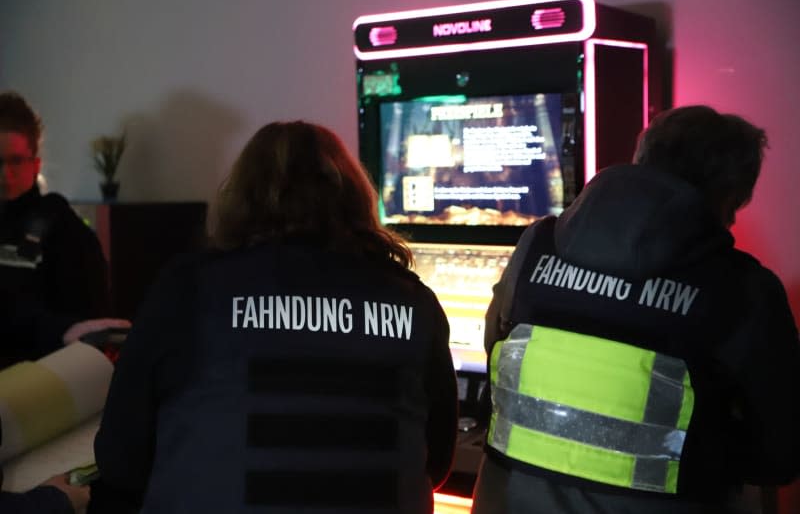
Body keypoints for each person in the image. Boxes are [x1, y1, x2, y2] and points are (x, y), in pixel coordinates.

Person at [89, 121, 458, 513]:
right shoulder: (414, 303)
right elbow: (435, 462)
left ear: (242, 197)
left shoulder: (188, 289)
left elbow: (120, 458)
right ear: (354, 198)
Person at [471, 105, 800, 513]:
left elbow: (496, 364)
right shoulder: (745, 289)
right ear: (729, 196)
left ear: (640, 161)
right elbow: (779, 456)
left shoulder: (535, 246)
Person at [0, 90, 114, 368]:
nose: (5, 174)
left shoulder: (63, 229)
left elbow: (85, 327)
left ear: (35, 162)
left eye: (15, 160)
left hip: (37, 381)